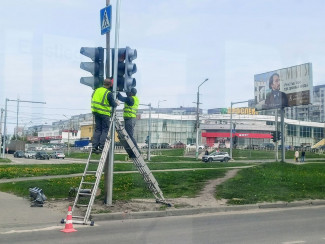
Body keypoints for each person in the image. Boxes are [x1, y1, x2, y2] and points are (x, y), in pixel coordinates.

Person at [91, 78, 119, 153]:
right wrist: (116, 103)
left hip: (96, 112)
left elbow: (93, 98)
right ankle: (101, 147)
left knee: (98, 130)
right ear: (110, 85)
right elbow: (113, 104)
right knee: (105, 130)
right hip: (104, 114)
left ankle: (94, 146)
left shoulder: (96, 90)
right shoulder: (108, 93)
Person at [117, 88, 139, 152]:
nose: (127, 93)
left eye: (129, 92)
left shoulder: (131, 99)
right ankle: (133, 149)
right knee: (128, 134)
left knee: (129, 135)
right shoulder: (133, 98)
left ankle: (136, 150)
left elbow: (121, 98)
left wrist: (116, 91)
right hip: (130, 118)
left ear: (131, 93)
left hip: (130, 119)